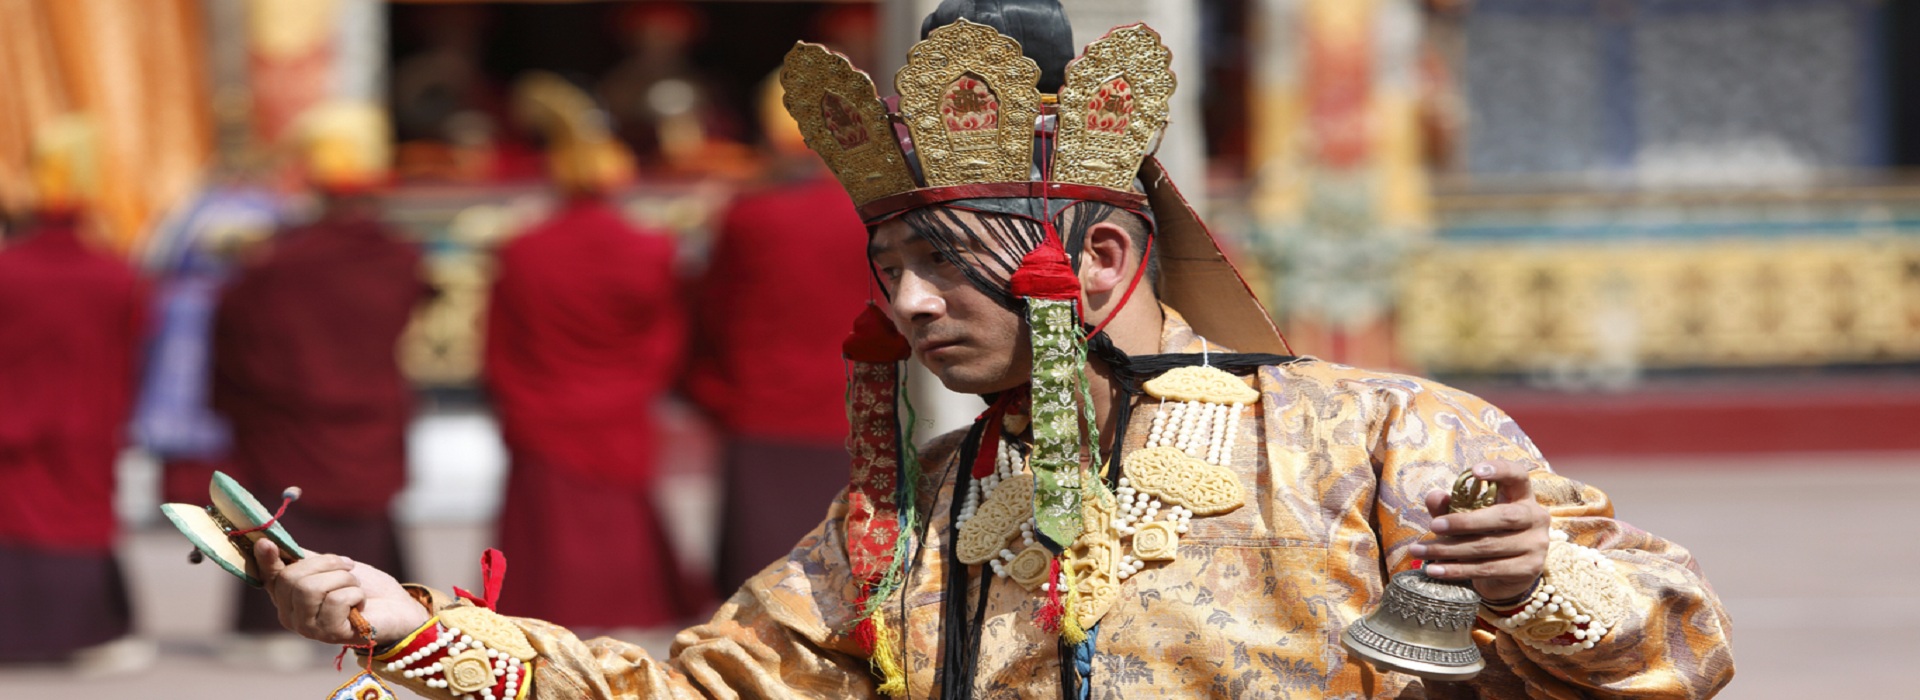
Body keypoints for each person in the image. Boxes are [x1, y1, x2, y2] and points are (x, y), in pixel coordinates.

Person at [253, 2, 1735, 698]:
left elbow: (1683, 642)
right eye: (884, 269)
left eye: (938, 268)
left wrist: (1549, 586)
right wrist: (414, 626)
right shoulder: (909, 513)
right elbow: (699, 693)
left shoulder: (1384, 438)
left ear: (1096, 261)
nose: (902, 308)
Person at [482, 73, 702, 630]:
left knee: (550, 523)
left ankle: (544, 611)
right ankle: (634, 607)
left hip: (543, 405)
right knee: (619, 515)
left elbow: (499, 342)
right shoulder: (650, 250)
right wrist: (639, 386)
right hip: (621, 406)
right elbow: (667, 337)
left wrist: (514, 395)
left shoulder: (524, 250)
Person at [211, 103, 428, 649]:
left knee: (286, 512)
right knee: (364, 515)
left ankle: (272, 628)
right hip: (370, 411)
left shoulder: (277, 264)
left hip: (290, 422)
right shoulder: (399, 258)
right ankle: (383, 618)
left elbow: (233, 340)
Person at [686, 74, 872, 593]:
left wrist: (708, 389)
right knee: (845, 575)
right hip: (853, 403)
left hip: (761, 406)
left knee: (763, 576)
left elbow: (713, 312)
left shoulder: (750, 214)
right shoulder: (864, 212)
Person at [0, 116, 149, 666]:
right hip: (85, 424)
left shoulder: (6, 270)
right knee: (76, 520)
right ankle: (86, 633)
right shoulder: (116, 275)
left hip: (9, 423)